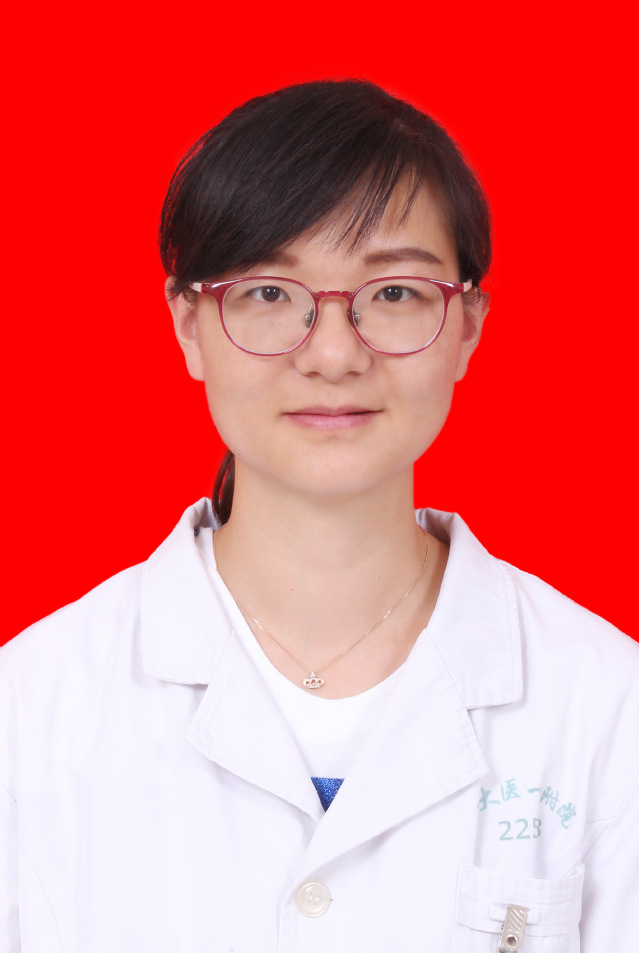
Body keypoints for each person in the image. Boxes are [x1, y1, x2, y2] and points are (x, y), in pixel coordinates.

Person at [1, 79, 637, 953]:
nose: (333, 353)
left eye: (394, 293)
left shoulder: (605, 708)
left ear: (467, 325)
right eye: (269, 293)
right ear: (188, 324)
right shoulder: (31, 711)